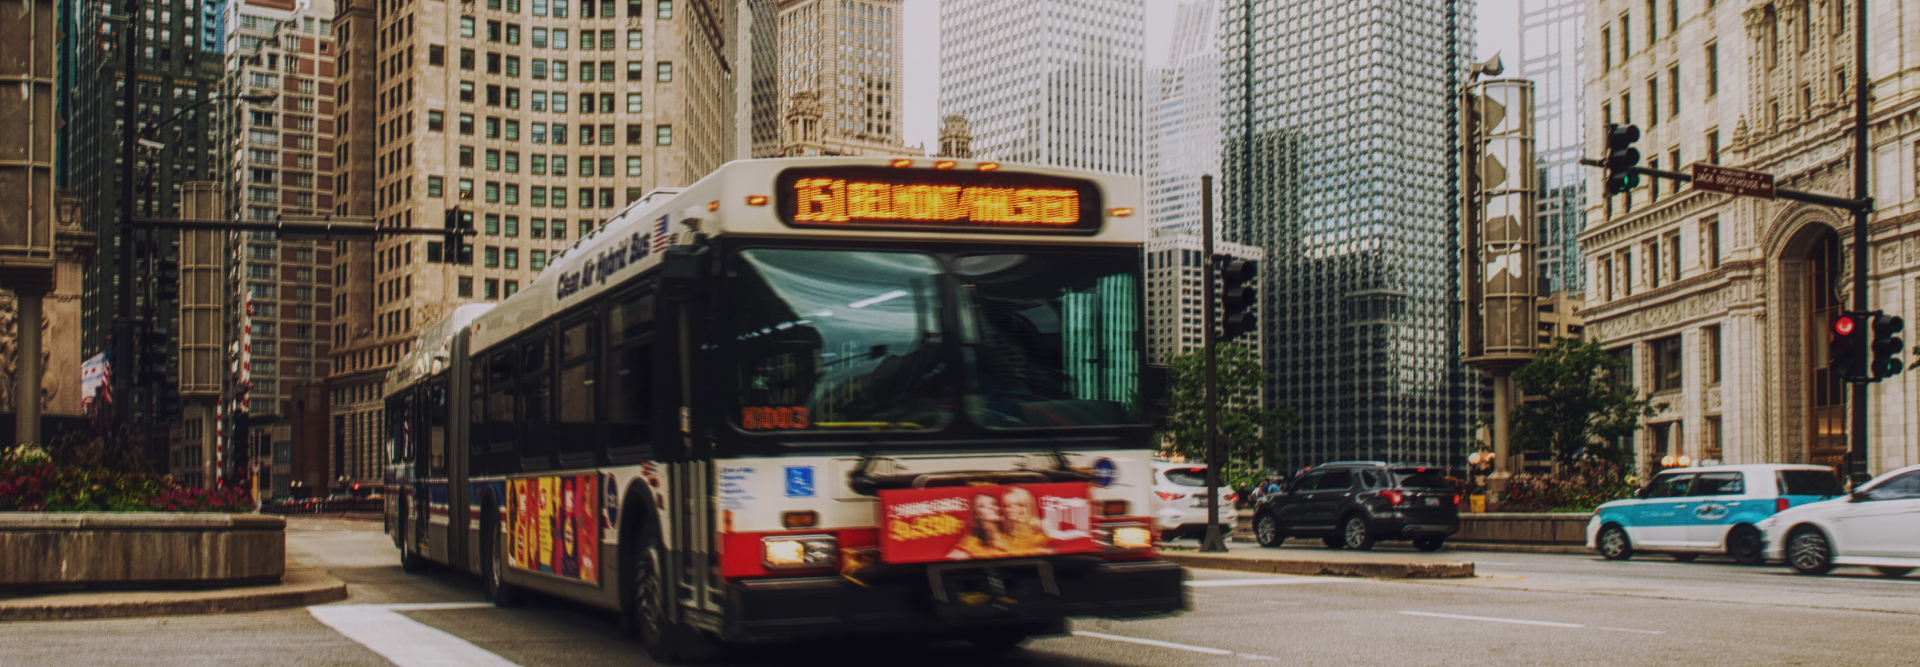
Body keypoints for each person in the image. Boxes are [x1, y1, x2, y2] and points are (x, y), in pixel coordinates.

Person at [948, 493, 1009, 559]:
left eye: (993, 503)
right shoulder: (972, 542)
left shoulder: (1009, 534)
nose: (991, 507)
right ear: (977, 514)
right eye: (982, 506)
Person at [998, 487, 1054, 556]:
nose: (1011, 510)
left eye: (1020, 505)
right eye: (1007, 505)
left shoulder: (1042, 536)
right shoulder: (1001, 536)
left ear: (1028, 507)